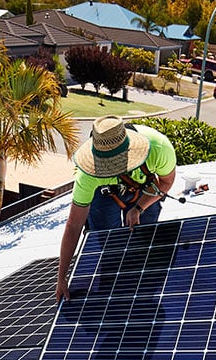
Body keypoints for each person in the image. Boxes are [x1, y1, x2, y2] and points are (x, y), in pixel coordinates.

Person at [56, 116, 177, 302]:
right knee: (109, 242)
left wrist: (139, 207)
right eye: (106, 167)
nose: (111, 169)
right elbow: (74, 225)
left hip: (143, 189)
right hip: (104, 194)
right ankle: (114, 289)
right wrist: (62, 276)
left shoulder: (159, 148)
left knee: (145, 238)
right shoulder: (87, 176)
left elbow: (165, 184)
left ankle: (138, 286)